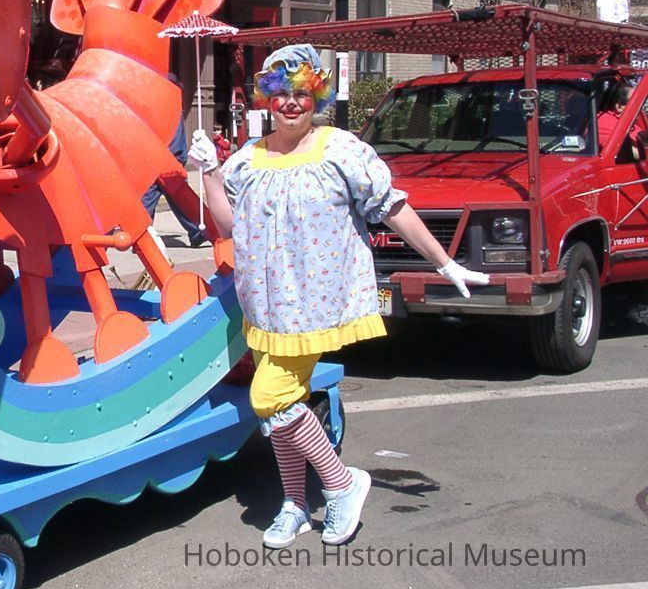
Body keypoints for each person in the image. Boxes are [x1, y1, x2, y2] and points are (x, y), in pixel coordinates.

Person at [188, 44, 489, 549]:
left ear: (317, 96)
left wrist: (445, 261)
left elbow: (391, 208)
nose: (290, 103)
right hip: (263, 305)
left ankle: (343, 483)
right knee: (286, 406)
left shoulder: (340, 149)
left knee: (270, 397)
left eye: (301, 94)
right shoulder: (249, 157)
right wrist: (209, 174)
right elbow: (229, 226)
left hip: (313, 304)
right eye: (281, 93)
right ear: (266, 99)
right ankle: (294, 501)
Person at [143, 116, 206, 247]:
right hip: (166, 155)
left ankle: (142, 236)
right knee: (174, 196)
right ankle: (196, 231)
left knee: (153, 195)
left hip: (164, 155)